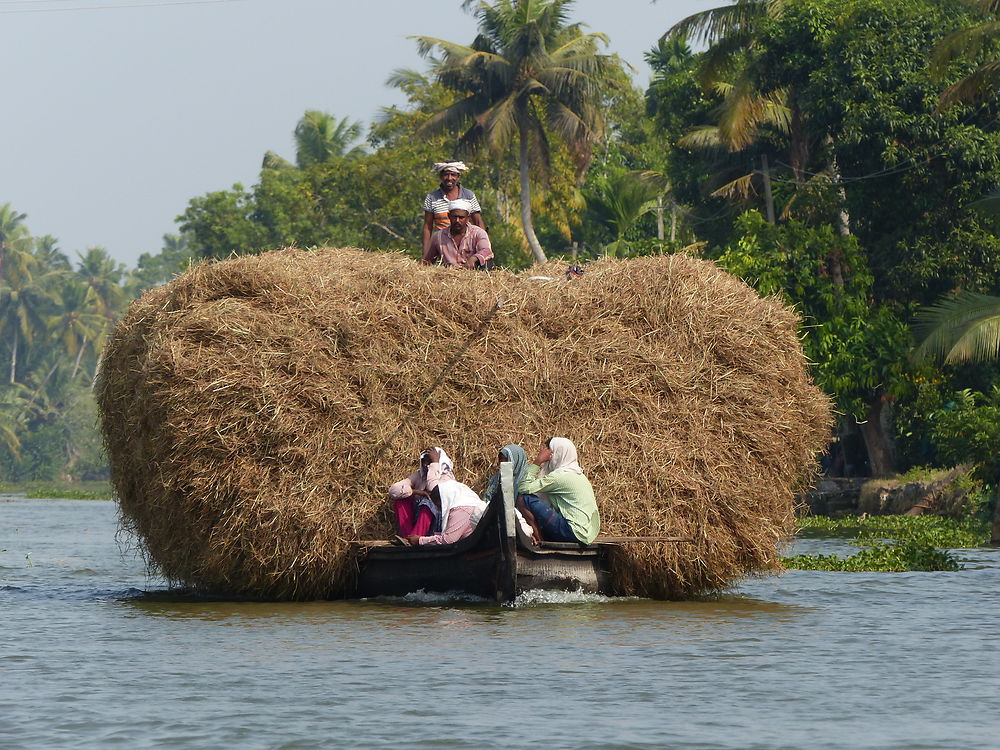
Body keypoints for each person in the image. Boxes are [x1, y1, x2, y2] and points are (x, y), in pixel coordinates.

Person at [518, 437, 600, 545]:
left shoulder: (559, 477)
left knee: (524, 499)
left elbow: (523, 488)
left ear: (556, 454)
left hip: (572, 531)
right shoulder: (579, 475)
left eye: (549, 452)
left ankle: (539, 539)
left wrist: (538, 461)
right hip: (587, 535)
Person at [388, 446, 455, 537]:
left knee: (427, 502)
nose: (426, 465)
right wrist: (416, 492)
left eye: (429, 461)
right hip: (417, 520)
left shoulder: (447, 477)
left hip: (437, 524)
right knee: (401, 501)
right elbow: (393, 490)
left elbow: (433, 488)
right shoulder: (419, 476)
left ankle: (416, 536)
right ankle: (408, 537)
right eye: (424, 461)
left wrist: (435, 463)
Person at [422, 161, 485, 257]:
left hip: (467, 248)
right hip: (442, 247)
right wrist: (425, 255)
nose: (449, 178)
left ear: (458, 177)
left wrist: (482, 250)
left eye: (453, 175)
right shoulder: (432, 197)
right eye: (446, 175)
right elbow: (427, 227)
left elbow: (478, 222)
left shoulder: (468, 196)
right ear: (441, 177)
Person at [483, 444, 542, 544]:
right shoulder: (496, 480)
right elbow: (488, 500)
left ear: (516, 460)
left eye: (506, 460)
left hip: (523, 523)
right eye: (501, 460)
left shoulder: (526, 480)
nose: (503, 463)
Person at [406, 475, 488, 546]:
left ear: (444, 500)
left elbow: (448, 540)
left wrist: (420, 540)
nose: (439, 509)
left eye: (438, 505)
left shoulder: (462, 510)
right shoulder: (465, 504)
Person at [421, 199, 494, 269]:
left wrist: (473, 259)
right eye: (454, 217)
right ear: (449, 216)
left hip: (474, 276)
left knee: (487, 261)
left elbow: (487, 251)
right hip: (449, 277)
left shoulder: (478, 233)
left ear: (467, 218)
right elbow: (427, 262)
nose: (457, 220)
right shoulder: (438, 237)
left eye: (461, 217)